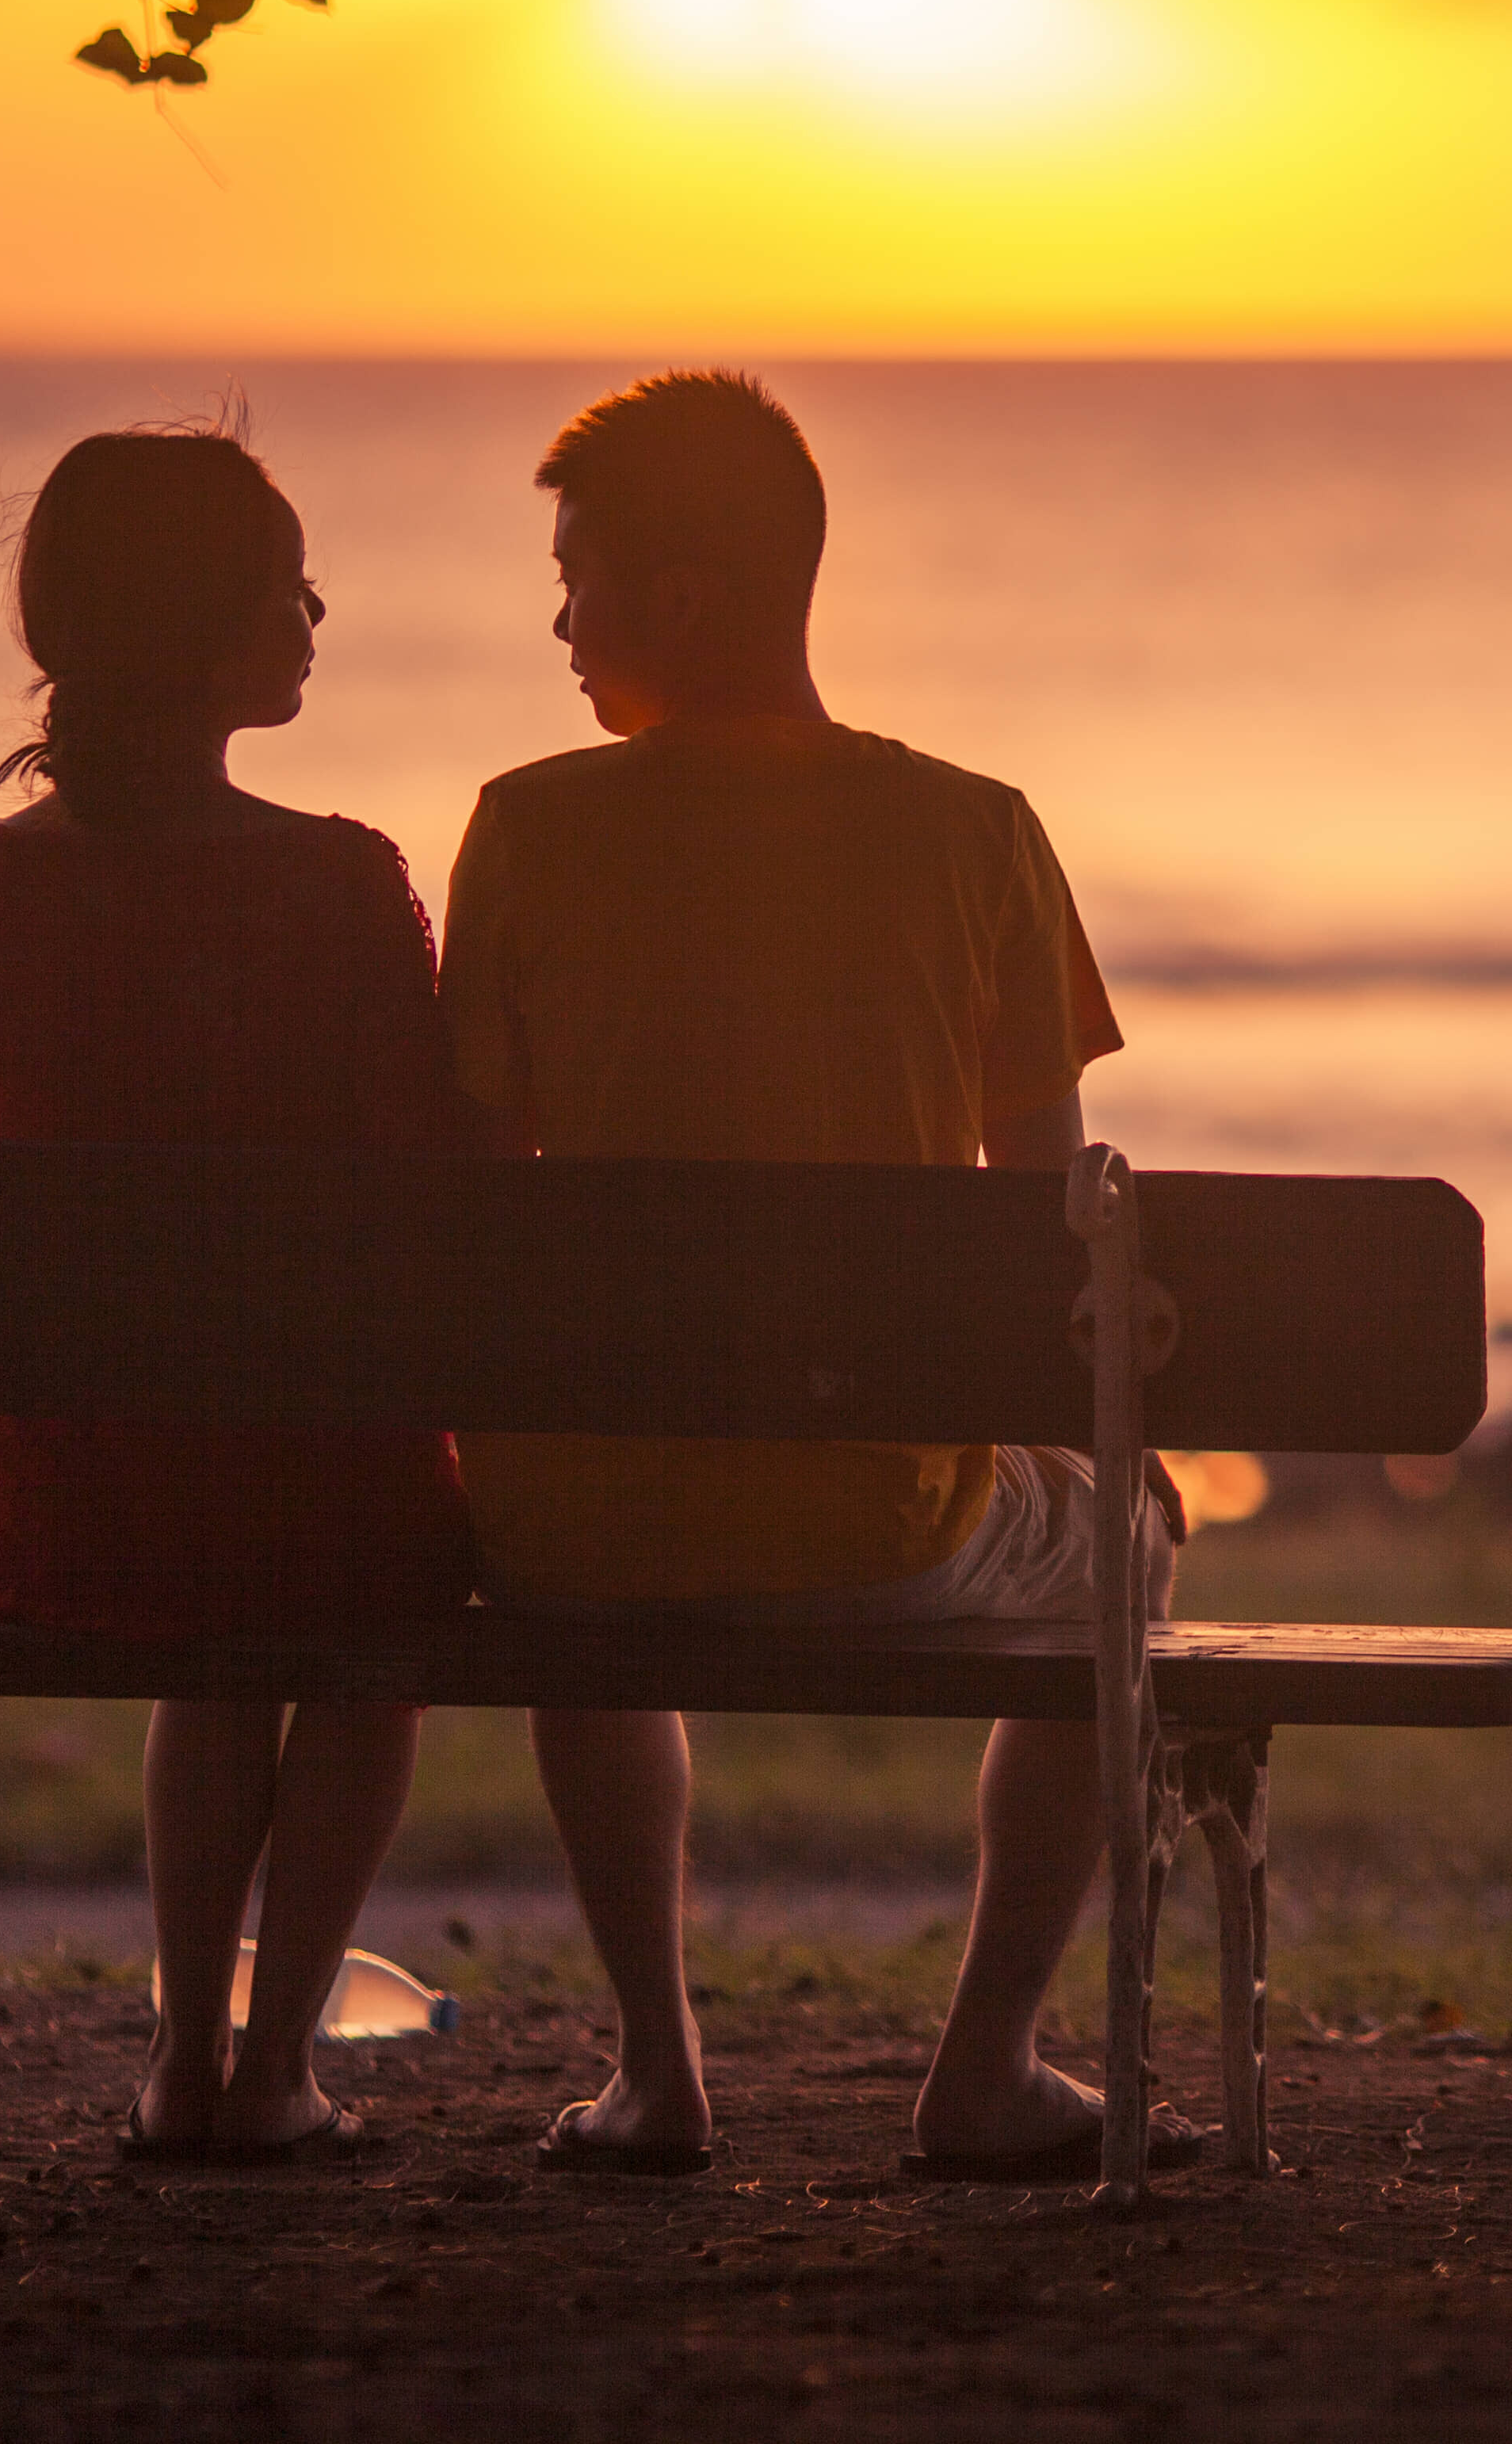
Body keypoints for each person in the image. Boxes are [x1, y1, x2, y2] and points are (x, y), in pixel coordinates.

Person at [440, 371, 1176, 2184]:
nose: (555, 615)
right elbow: (1045, 1229)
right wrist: (1105, 1452)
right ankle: (988, 2063)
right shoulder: (979, 832)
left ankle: (658, 2071)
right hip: (880, 1523)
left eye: (578, 572)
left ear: (680, 596)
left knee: (598, 1498)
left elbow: (458, 1208)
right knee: (1136, 1536)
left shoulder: (526, 830)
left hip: (575, 1525)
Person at [0, 428, 478, 2163]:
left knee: (210, 1568)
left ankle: (177, 2061)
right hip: (312, 1491)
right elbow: (430, 1207)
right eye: (282, 590)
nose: (311, 622)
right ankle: (274, 2063)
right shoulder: (338, 883)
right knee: (367, 1632)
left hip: (63, 1504)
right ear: (199, 629)